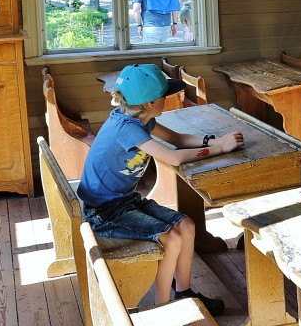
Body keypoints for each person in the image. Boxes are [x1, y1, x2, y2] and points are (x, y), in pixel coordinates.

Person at [77, 63, 244, 310]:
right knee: (172, 239)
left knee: (187, 225)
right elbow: (174, 157)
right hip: (102, 211)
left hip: (124, 201)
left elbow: (177, 140)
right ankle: (164, 307)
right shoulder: (126, 128)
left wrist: (216, 140)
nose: (169, 98)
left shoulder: (139, 119)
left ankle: (184, 293)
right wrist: (219, 149)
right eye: (164, 95)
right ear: (150, 103)